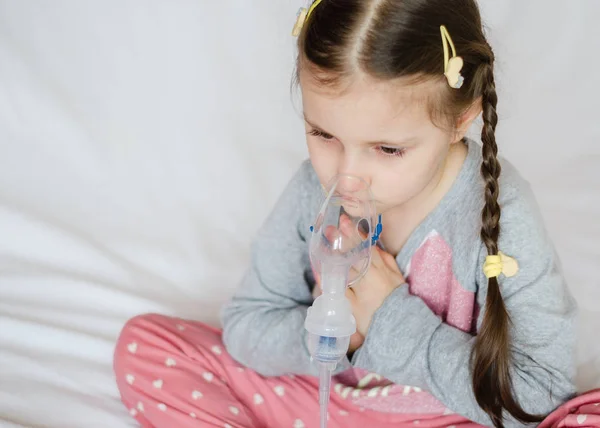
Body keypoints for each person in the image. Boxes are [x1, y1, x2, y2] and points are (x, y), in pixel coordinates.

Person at [113, 0, 578, 427]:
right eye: (323, 134)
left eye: (388, 149)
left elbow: (538, 395)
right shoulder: (309, 192)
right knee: (147, 346)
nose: (347, 176)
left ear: (461, 119)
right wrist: (340, 336)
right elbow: (248, 325)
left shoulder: (499, 214)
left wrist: (386, 320)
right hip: (321, 401)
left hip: (453, 416)